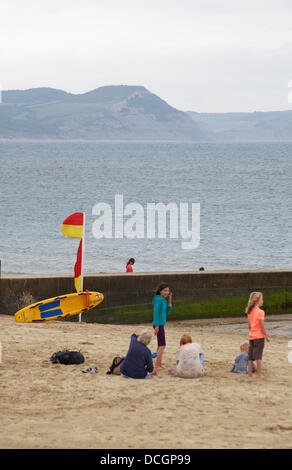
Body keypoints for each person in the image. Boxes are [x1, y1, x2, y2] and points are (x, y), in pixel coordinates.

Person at [245, 292, 270, 378]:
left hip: (251, 336)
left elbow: (249, 326)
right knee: (258, 356)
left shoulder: (249, 311)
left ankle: (249, 374)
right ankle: (259, 374)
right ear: (257, 301)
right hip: (259, 337)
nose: (262, 301)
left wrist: (252, 332)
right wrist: (266, 336)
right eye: (261, 299)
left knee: (250, 357)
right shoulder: (261, 312)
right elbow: (262, 325)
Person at [152, 282, 172, 375]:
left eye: (167, 291)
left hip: (161, 324)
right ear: (160, 291)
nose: (166, 292)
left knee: (160, 345)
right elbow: (156, 313)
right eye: (164, 290)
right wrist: (156, 326)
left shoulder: (163, 300)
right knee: (162, 345)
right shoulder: (158, 300)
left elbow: (166, 312)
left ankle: (158, 363)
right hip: (158, 324)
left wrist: (170, 301)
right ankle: (156, 365)